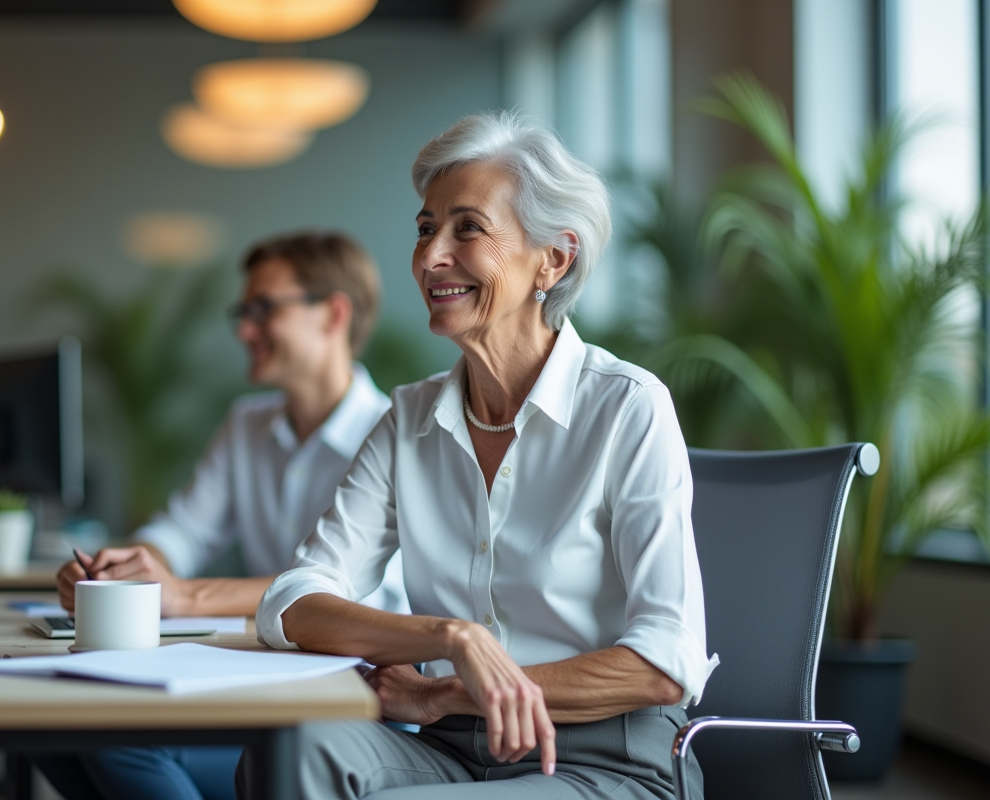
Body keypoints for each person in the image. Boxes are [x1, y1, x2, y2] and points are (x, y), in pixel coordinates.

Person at [238, 113, 719, 800]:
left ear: (553, 259)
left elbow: (666, 663)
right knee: (289, 753)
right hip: (453, 753)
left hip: (608, 760)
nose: (432, 256)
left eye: (468, 227)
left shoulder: (627, 408)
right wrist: (450, 636)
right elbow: (290, 603)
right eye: (426, 228)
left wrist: (448, 696)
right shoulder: (407, 419)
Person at [39, 231, 408, 800]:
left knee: (118, 741)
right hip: (266, 687)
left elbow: (363, 595)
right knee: (55, 730)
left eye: (264, 310)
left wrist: (183, 594)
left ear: (333, 313)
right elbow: (182, 532)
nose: (243, 330)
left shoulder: (393, 433)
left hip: (355, 710)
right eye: (243, 311)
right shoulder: (248, 426)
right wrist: (131, 568)